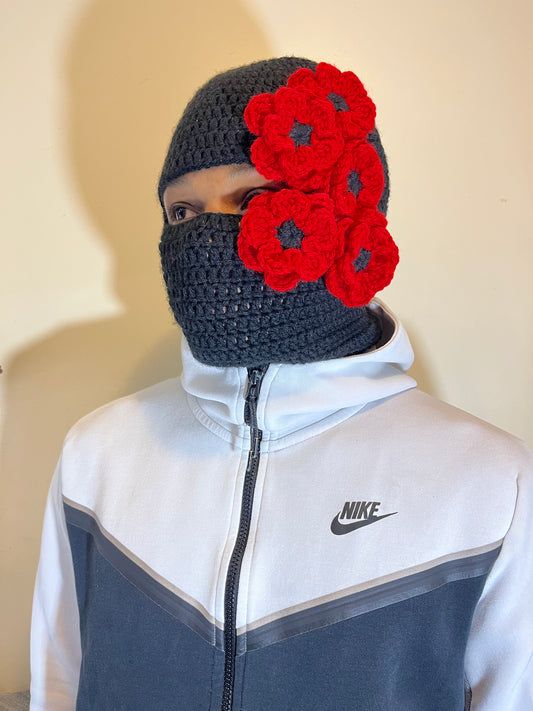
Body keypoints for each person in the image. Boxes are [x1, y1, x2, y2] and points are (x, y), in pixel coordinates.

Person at [30, 57, 533, 711]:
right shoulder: (98, 455)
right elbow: (59, 682)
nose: (205, 237)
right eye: (182, 211)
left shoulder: (487, 482)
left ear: (348, 213)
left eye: (252, 199)